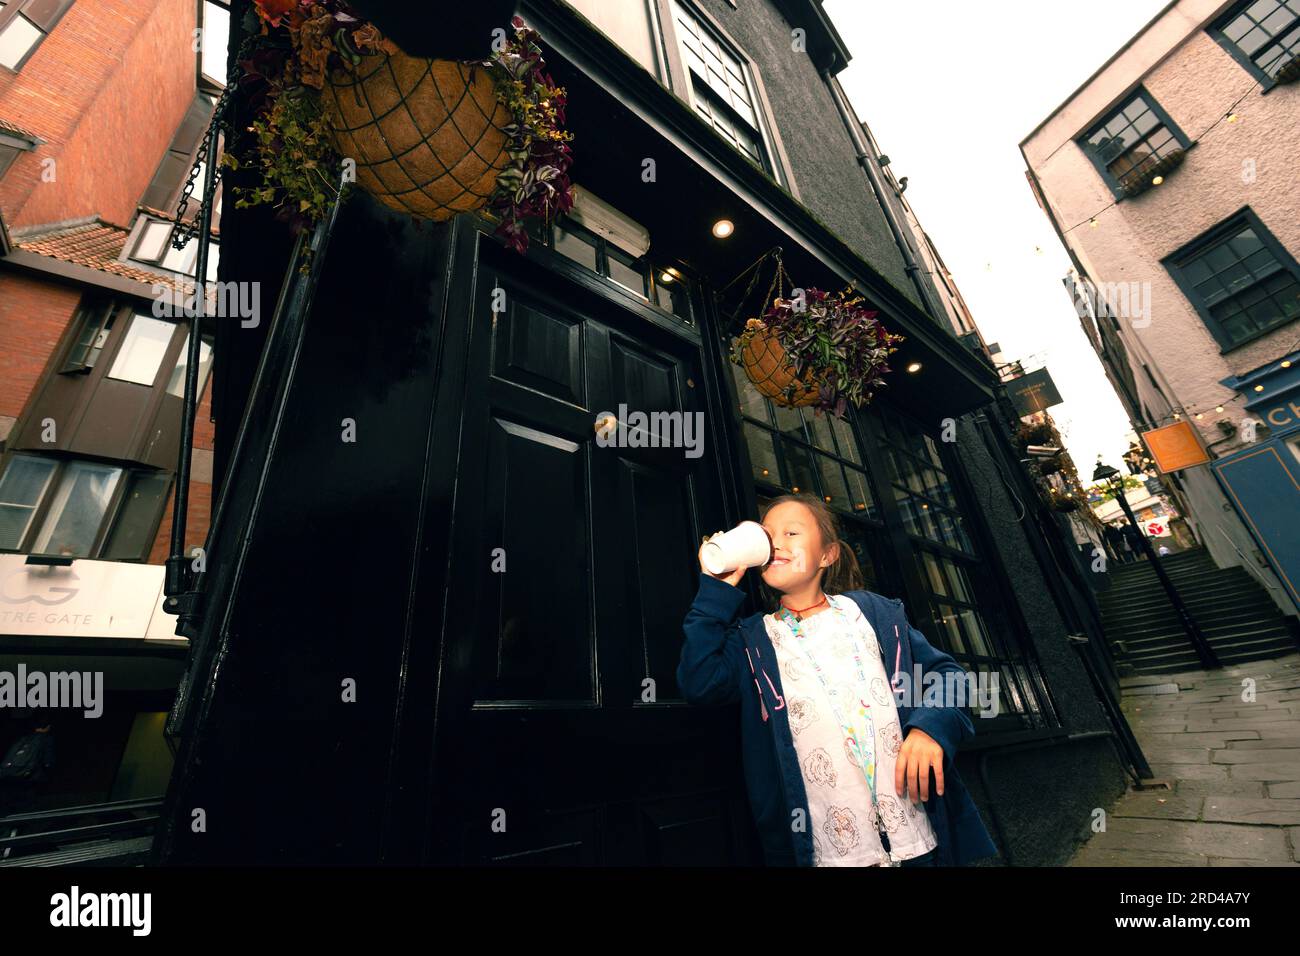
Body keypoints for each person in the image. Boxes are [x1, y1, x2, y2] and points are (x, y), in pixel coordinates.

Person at [678, 493, 998, 867]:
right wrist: (715, 589)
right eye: (767, 535)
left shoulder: (872, 614)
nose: (775, 542)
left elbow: (951, 677)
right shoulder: (753, 640)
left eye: (791, 532)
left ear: (827, 555)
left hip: (916, 840)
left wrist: (930, 729)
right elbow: (699, 684)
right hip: (831, 855)